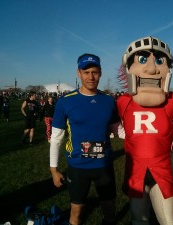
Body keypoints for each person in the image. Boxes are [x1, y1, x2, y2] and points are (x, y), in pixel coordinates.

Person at [117, 36, 173, 225]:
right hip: (136, 172)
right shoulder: (123, 102)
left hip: (162, 171)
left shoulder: (172, 103)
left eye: (160, 61)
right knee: (138, 220)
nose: (152, 69)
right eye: (143, 60)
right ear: (128, 68)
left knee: (171, 221)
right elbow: (116, 125)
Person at [49, 53, 119, 225]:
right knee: (76, 214)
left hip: (104, 167)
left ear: (100, 73)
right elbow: (56, 138)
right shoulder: (65, 101)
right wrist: (54, 169)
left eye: (94, 72)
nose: (91, 76)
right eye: (86, 72)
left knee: (110, 213)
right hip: (78, 168)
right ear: (78, 73)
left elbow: (118, 130)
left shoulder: (108, 100)